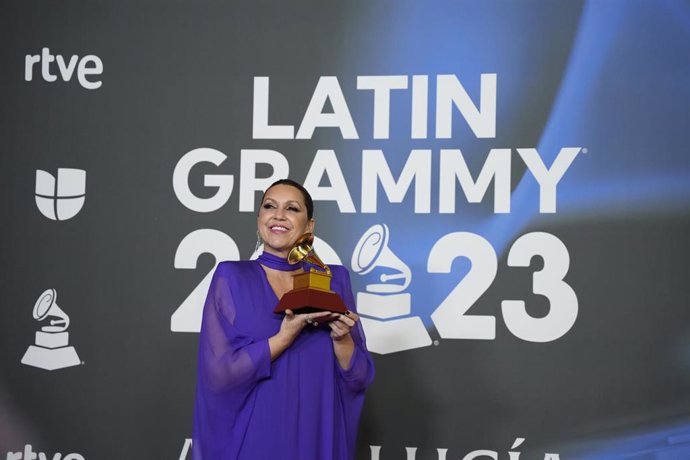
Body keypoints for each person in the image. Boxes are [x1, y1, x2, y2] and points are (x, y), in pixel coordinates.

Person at [192, 179, 375, 460]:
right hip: (258, 436)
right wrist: (282, 338)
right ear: (259, 219)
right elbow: (220, 374)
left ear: (309, 226)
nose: (279, 215)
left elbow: (360, 376)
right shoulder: (231, 277)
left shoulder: (333, 280)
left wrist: (341, 339)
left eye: (292, 208)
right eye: (270, 206)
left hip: (316, 435)